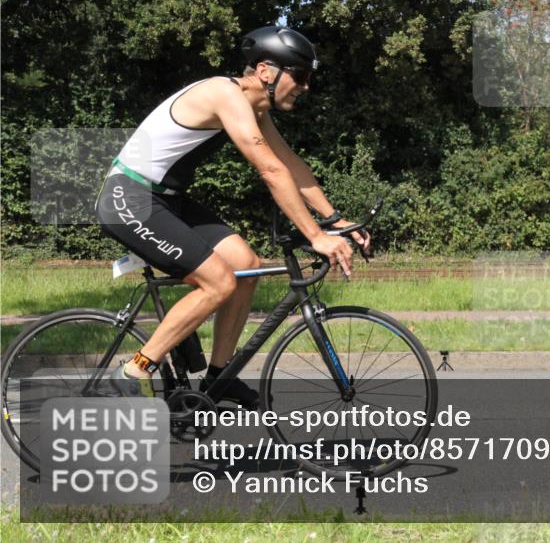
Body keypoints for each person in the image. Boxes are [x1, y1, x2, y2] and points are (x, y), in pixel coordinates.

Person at [94, 25, 369, 405]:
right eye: (300, 75)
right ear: (266, 71)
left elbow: (290, 164)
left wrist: (334, 219)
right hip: (130, 197)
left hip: (166, 199)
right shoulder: (225, 94)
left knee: (245, 265)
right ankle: (135, 370)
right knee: (219, 282)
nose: (305, 87)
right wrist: (316, 236)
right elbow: (270, 170)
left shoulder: (255, 108)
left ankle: (219, 379)